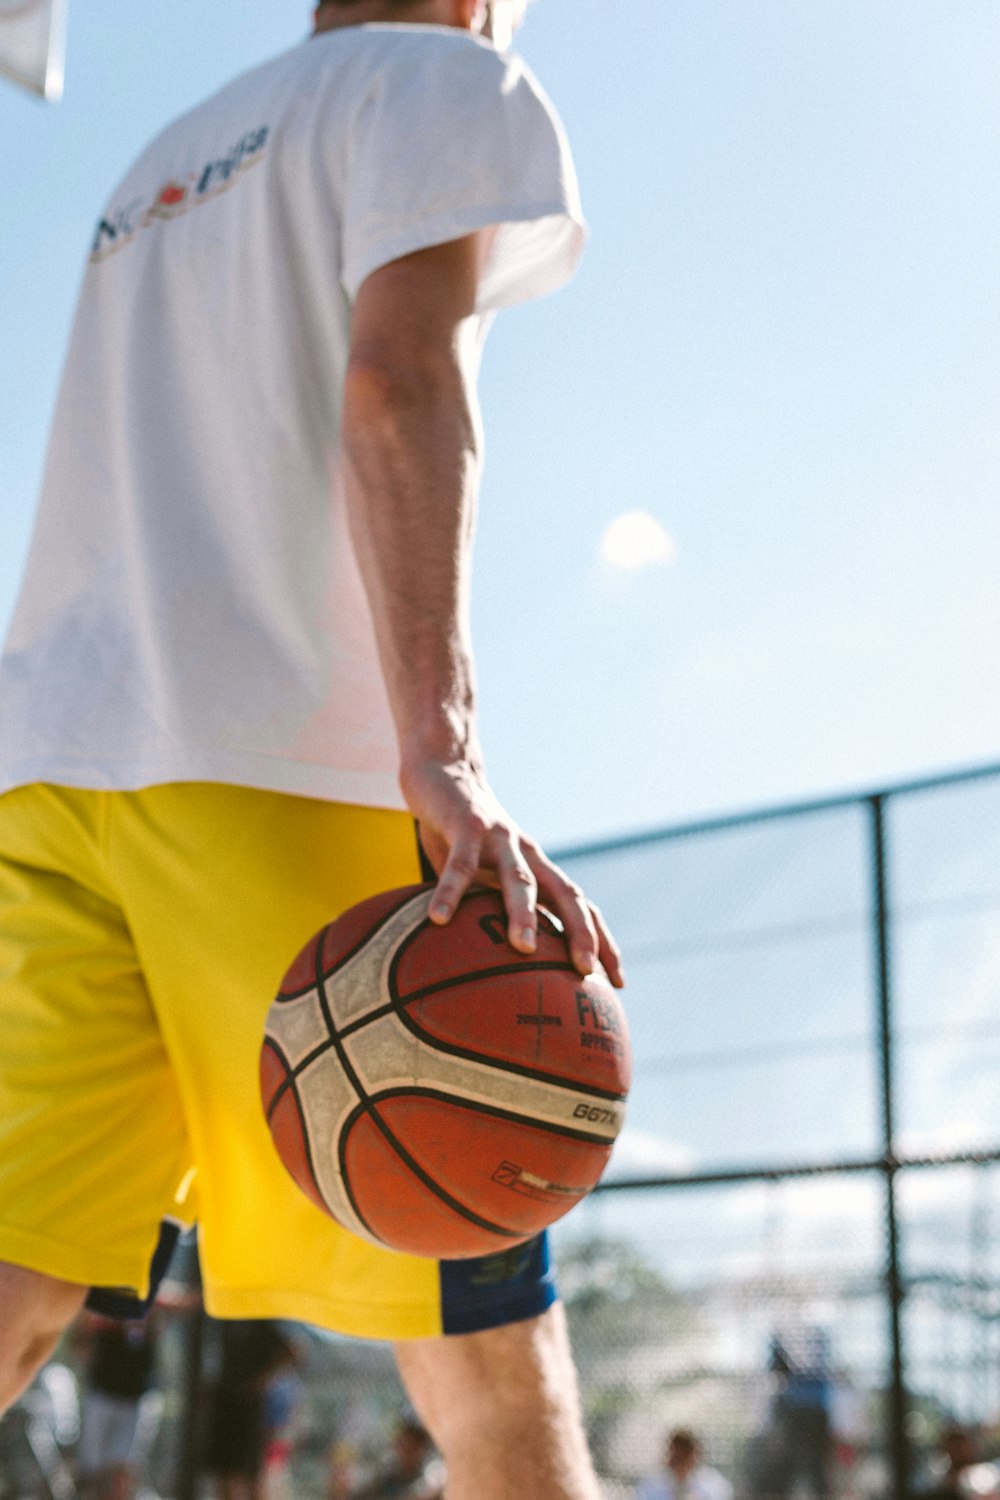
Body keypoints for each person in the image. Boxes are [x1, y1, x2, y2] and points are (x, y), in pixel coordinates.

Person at [0, 4, 624, 1500]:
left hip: (49, 762)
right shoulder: (442, 78)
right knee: (478, 1355)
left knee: (12, 1291)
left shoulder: (157, 158)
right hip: (281, 763)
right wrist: (444, 744)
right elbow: (399, 383)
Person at [203, 1320, 297, 1500]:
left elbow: (293, 1350)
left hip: (248, 1410)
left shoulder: (261, 1319)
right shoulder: (223, 1317)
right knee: (224, 1471)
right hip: (224, 1403)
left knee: (247, 1474)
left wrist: (261, 1382)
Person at [74, 1310, 160, 1500]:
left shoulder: (150, 1308)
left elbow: (182, 1305)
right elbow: (80, 1347)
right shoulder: (103, 1310)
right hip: (102, 1396)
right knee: (94, 1468)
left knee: (122, 1465)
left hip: (133, 1401)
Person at [344, 1419, 445, 1500]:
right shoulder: (388, 1472)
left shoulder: (432, 1471)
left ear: (421, 1449)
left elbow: (428, 1493)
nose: (404, 1452)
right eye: (402, 1446)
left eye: (410, 1448)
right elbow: (361, 1492)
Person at [635, 1430, 733, 1500]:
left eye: (685, 1454)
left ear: (695, 1454)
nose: (680, 1461)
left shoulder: (713, 1484)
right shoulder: (650, 1485)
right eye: (676, 1454)